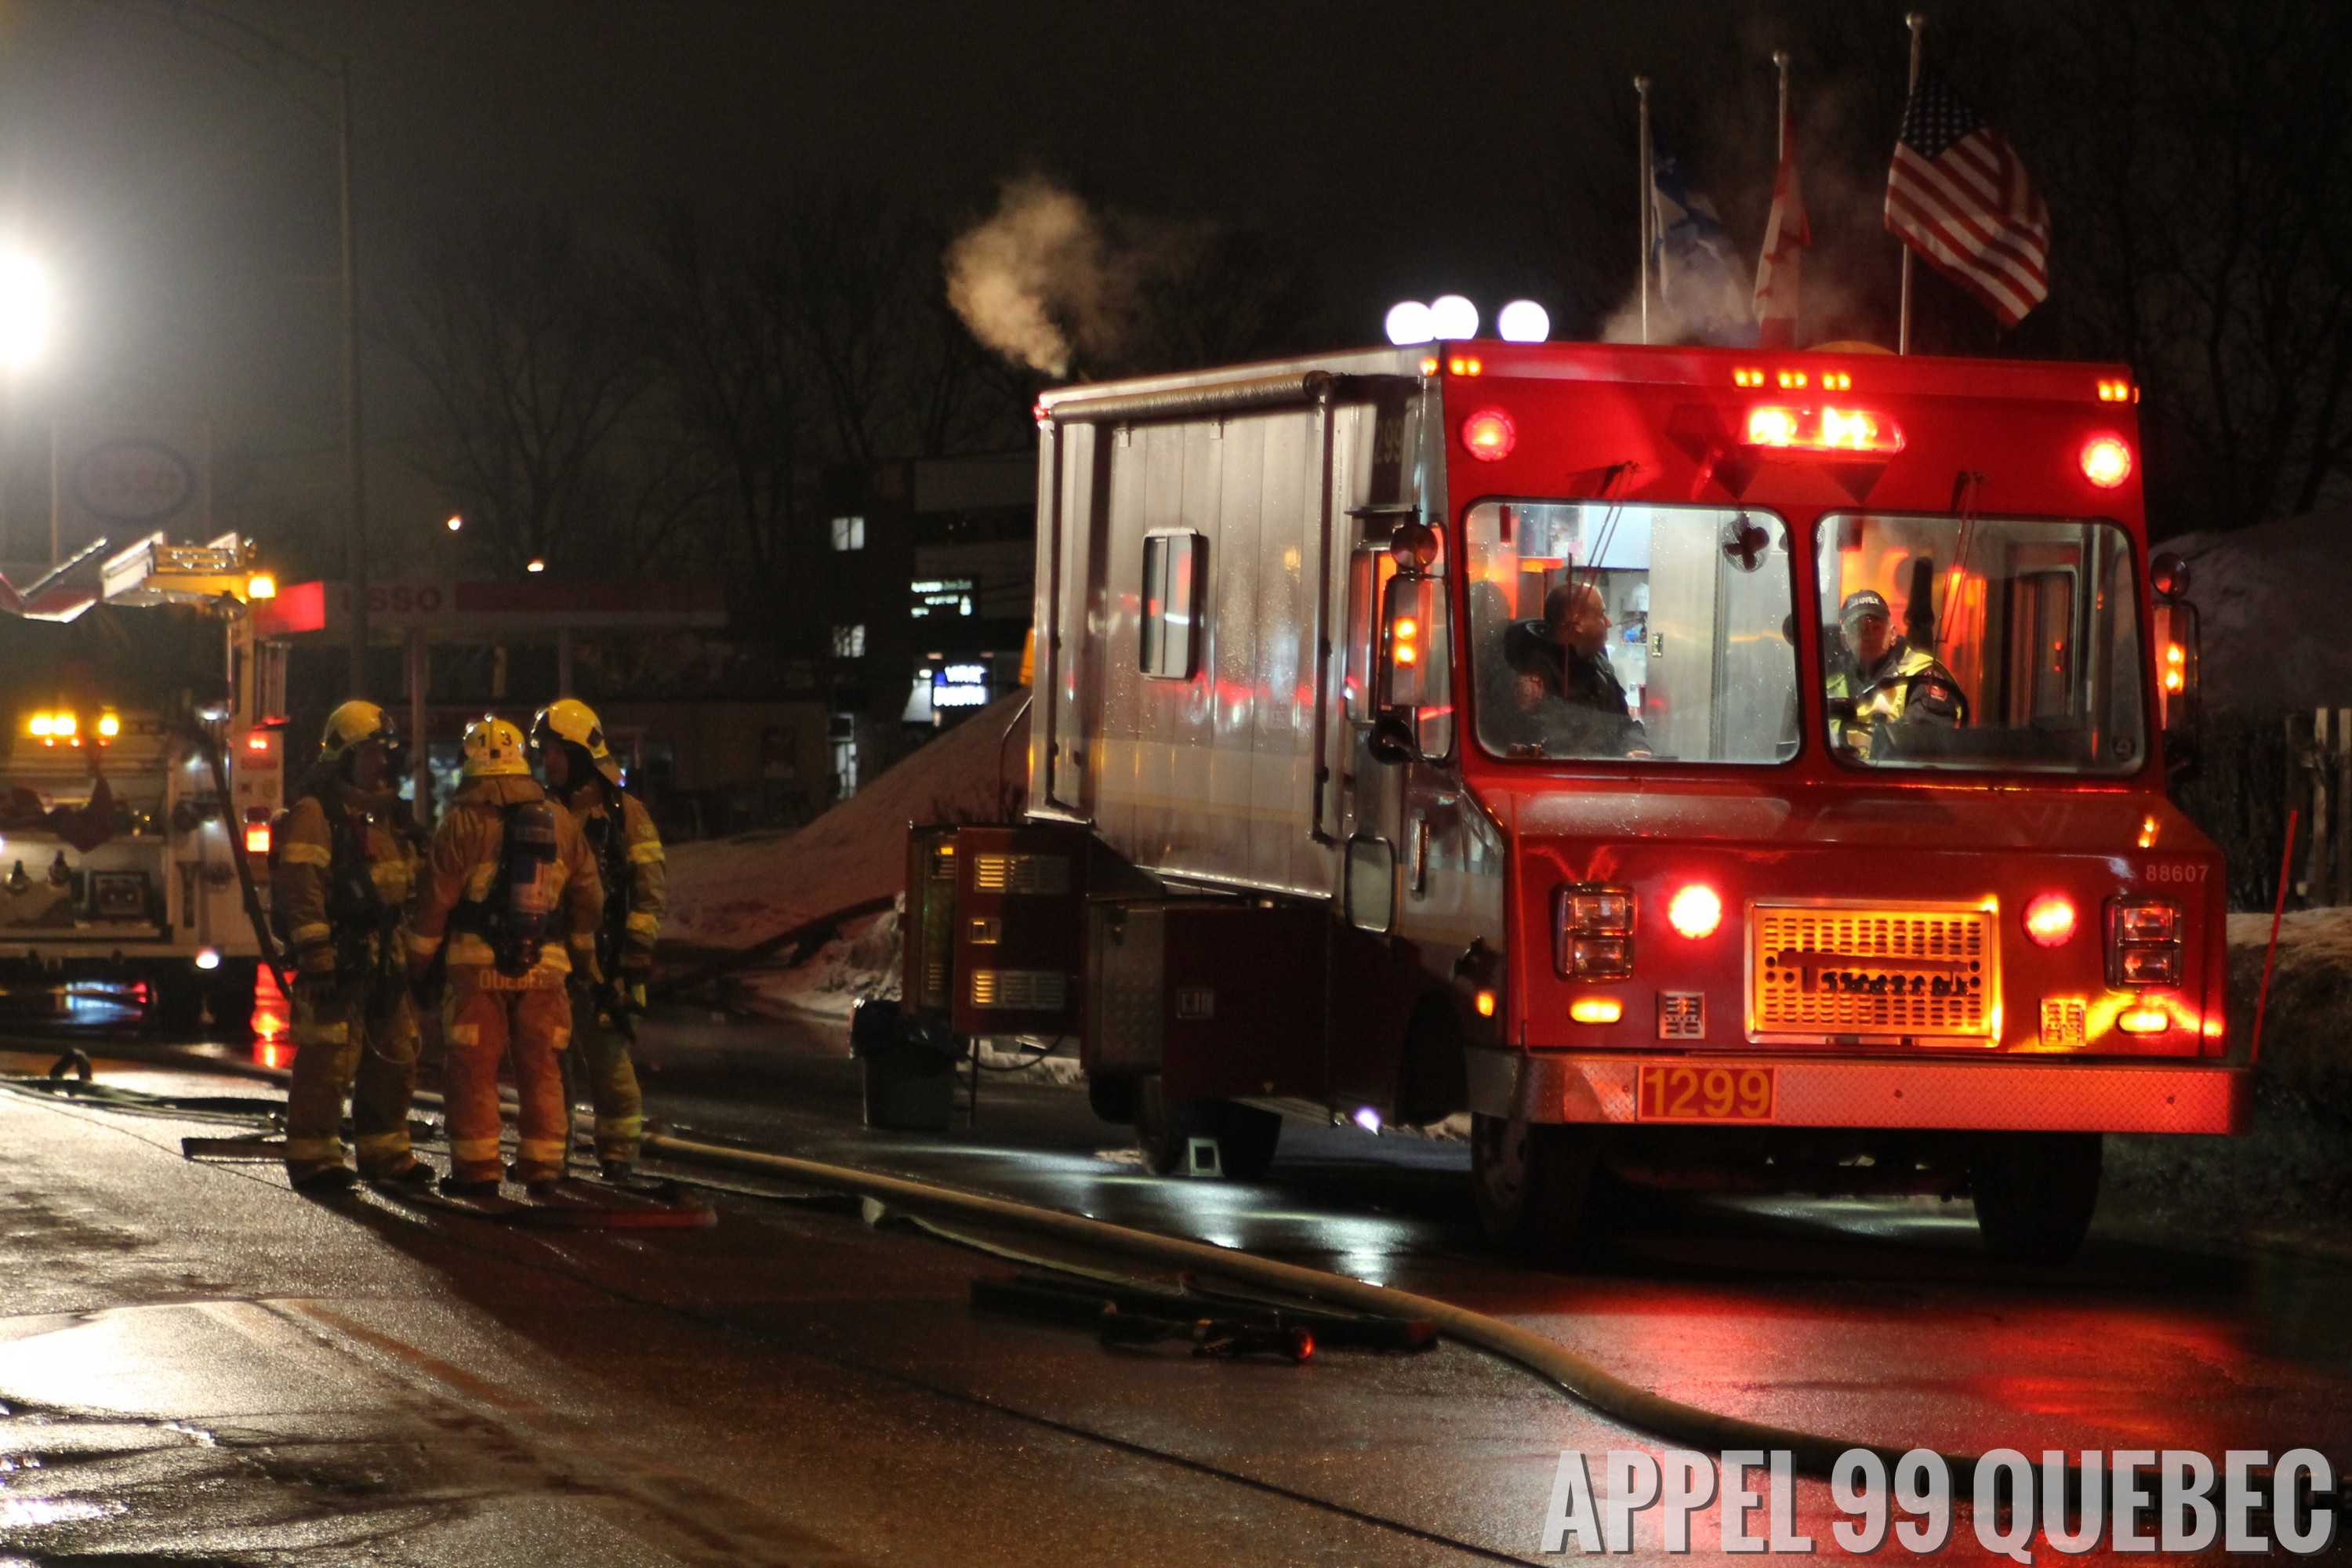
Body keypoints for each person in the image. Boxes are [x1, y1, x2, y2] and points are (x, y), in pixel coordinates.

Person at [406, 717, 604, 1196]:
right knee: (543, 1068)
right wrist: (582, 959)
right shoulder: (559, 820)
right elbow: (589, 897)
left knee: (474, 1071)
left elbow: (435, 901)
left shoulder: (461, 824)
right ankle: (543, 1169)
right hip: (547, 966)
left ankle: (477, 1172)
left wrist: (418, 963)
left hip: (475, 970)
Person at [274, 701, 433, 1192]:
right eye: (371, 753)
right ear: (344, 756)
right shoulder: (315, 813)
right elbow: (302, 889)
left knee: (396, 1055)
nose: (381, 762)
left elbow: (410, 884)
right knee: (328, 1060)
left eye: (385, 752)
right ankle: (314, 1158)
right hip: (339, 957)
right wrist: (317, 956)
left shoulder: (389, 816)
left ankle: (386, 1154)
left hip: (385, 955)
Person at [531, 699, 666, 1180]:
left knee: (608, 1058)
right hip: (552, 957)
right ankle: (552, 1154)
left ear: (581, 755)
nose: (547, 762)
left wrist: (634, 956)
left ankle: (618, 1153)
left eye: (555, 752)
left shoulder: (626, 815)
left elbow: (648, 893)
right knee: (549, 1062)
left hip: (606, 962)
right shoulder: (542, 812)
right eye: (543, 752)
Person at [1826, 588, 1963, 759]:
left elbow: (1926, 735)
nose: (1868, 636)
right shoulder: (1825, 682)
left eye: (1876, 628)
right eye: (1859, 629)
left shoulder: (1923, 675)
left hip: (1897, 780)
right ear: (1845, 640)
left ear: (1892, 634)